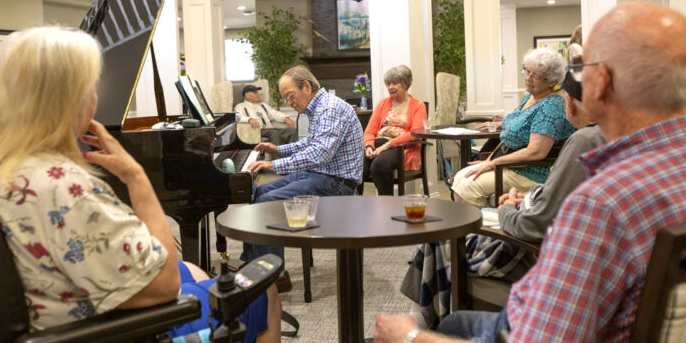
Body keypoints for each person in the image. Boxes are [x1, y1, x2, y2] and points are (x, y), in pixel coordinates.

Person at [373, 1, 686, 342]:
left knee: (443, 325)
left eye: (580, 69)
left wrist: (410, 338)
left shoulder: (599, 204)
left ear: (601, 82)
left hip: (528, 319)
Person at [0, 27, 280, 342]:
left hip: (55, 307)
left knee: (192, 271)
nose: (96, 100)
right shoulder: (64, 188)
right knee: (266, 293)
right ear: (68, 100)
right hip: (103, 330)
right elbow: (166, 283)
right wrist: (135, 176)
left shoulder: (4, 165)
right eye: (91, 89)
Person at [400, 79, 605, 328]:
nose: (528, 77)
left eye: (534, 74)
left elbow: (533, 225)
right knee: (450, 214)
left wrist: (507, 208)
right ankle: (419, 322)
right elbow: (563, 197)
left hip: (529, 245)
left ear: (569, 102)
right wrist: (528, 198)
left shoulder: (584, 140)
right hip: (544, 221)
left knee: (443, 232)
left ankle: (419, 326)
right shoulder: (605, 138)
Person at [242, 65, 364, 289]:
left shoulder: (330, 108)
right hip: (322, 176)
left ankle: (275, 276)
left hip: (337, 185)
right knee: (257, 191)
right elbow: (311, 143)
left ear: (306, 86)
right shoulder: (320, 108)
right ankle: (254, 263)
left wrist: (273, 164)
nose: (289, 102)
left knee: (266, 203)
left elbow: (319, 154)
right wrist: (279, 150)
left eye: (291, 96)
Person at [451, 47, 575, 207]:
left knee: (468, 186)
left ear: (552, 81)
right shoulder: (530, 96)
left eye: (535, 75)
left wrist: (494, 163)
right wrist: (496, 127)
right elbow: (519, 120)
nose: (529, 78)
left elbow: (536, 151)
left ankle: (488, 227)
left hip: (529, 172)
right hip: (510, 165)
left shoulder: (551, 106)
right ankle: (472, 228)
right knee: (460, 178)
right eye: (527, 71)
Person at [362, 65, 427, 195]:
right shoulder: (383, 103)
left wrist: (388, 145)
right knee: (357, 162)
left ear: (406, 84)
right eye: (388, 84)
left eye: (394, 83)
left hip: (402, 147)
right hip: (378, 143)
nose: (390, 87)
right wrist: (368, 146)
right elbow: (369, 131)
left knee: (380, 164)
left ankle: (387, 205)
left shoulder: (418, 106)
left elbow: (415, 134)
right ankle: (357, 202)